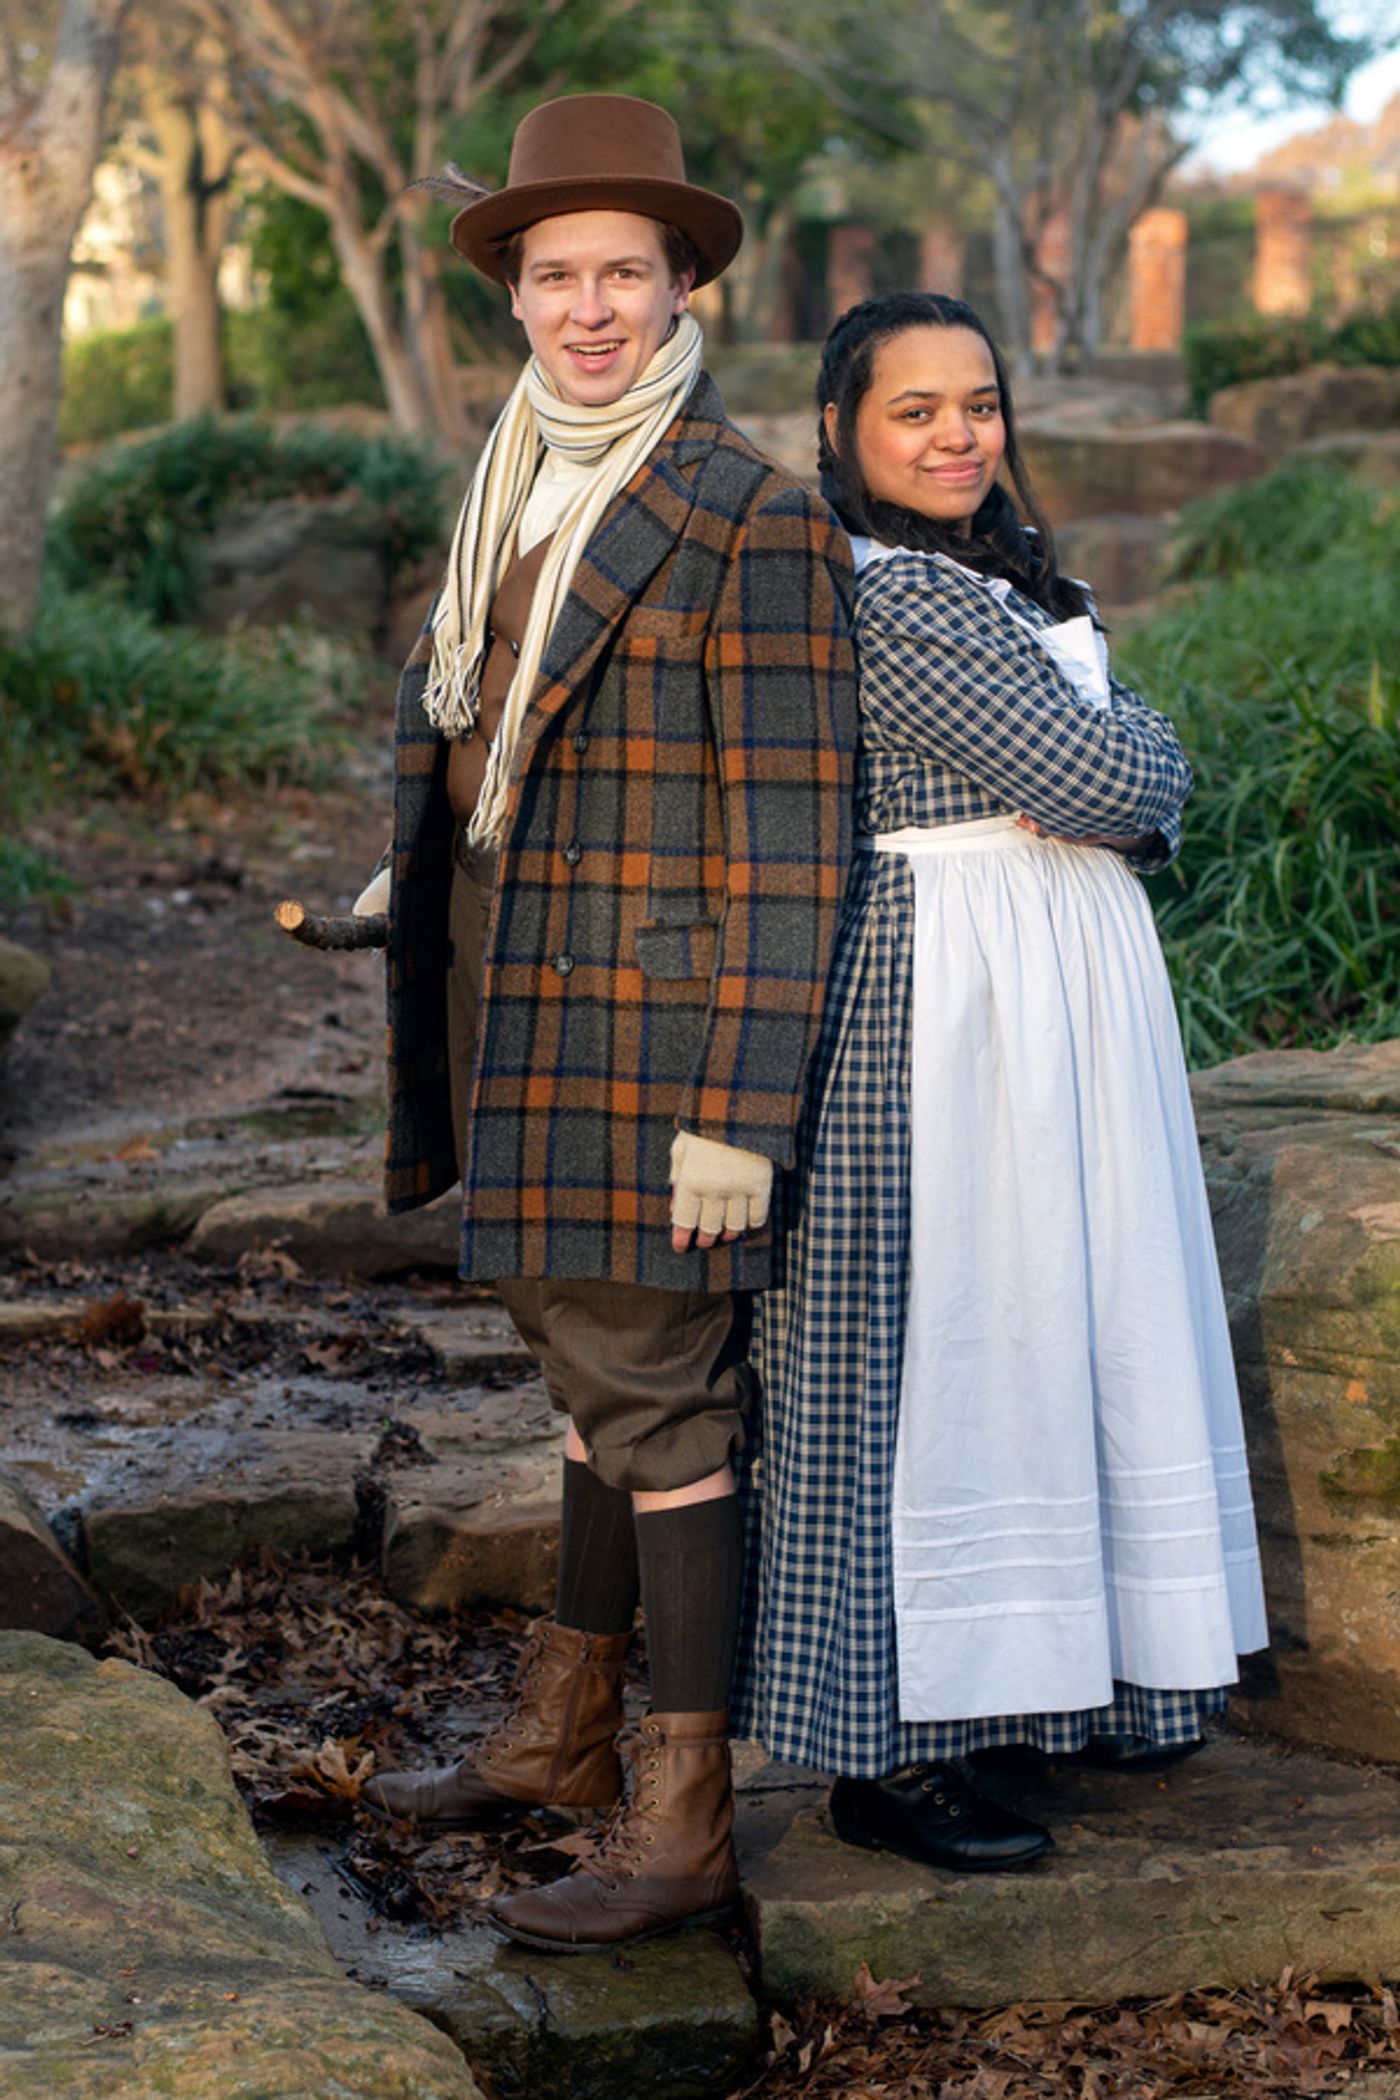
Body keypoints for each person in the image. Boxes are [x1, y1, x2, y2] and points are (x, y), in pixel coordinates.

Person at [357, 94, 856, 1951]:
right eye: (556, 275)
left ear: (684, 284)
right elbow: (487, 736)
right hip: (507, 995)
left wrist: (742, 1110)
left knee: (659, 1404)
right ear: (513, 297)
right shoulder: (517, 479)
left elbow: (795, 843)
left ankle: (684, 1820)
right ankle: (562, 1741)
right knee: (591, 1391)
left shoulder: (748, 517)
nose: (590, 308)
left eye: (623, 275)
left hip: (656, 1054)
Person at [733, 291, 1268, 1871]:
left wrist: (1118, 770)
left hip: (1057, 1008)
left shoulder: (996, 577)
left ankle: (1034, 1702)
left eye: (980, 404)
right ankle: (885, 1759)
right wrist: (1116, 767)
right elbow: (1114, 767)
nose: (959, 435)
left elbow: (1128, 768)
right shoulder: (881, 595)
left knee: (1059, 1335)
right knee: (929, 1354)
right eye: (918, 410)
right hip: (942, 1008)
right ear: (843, 429)